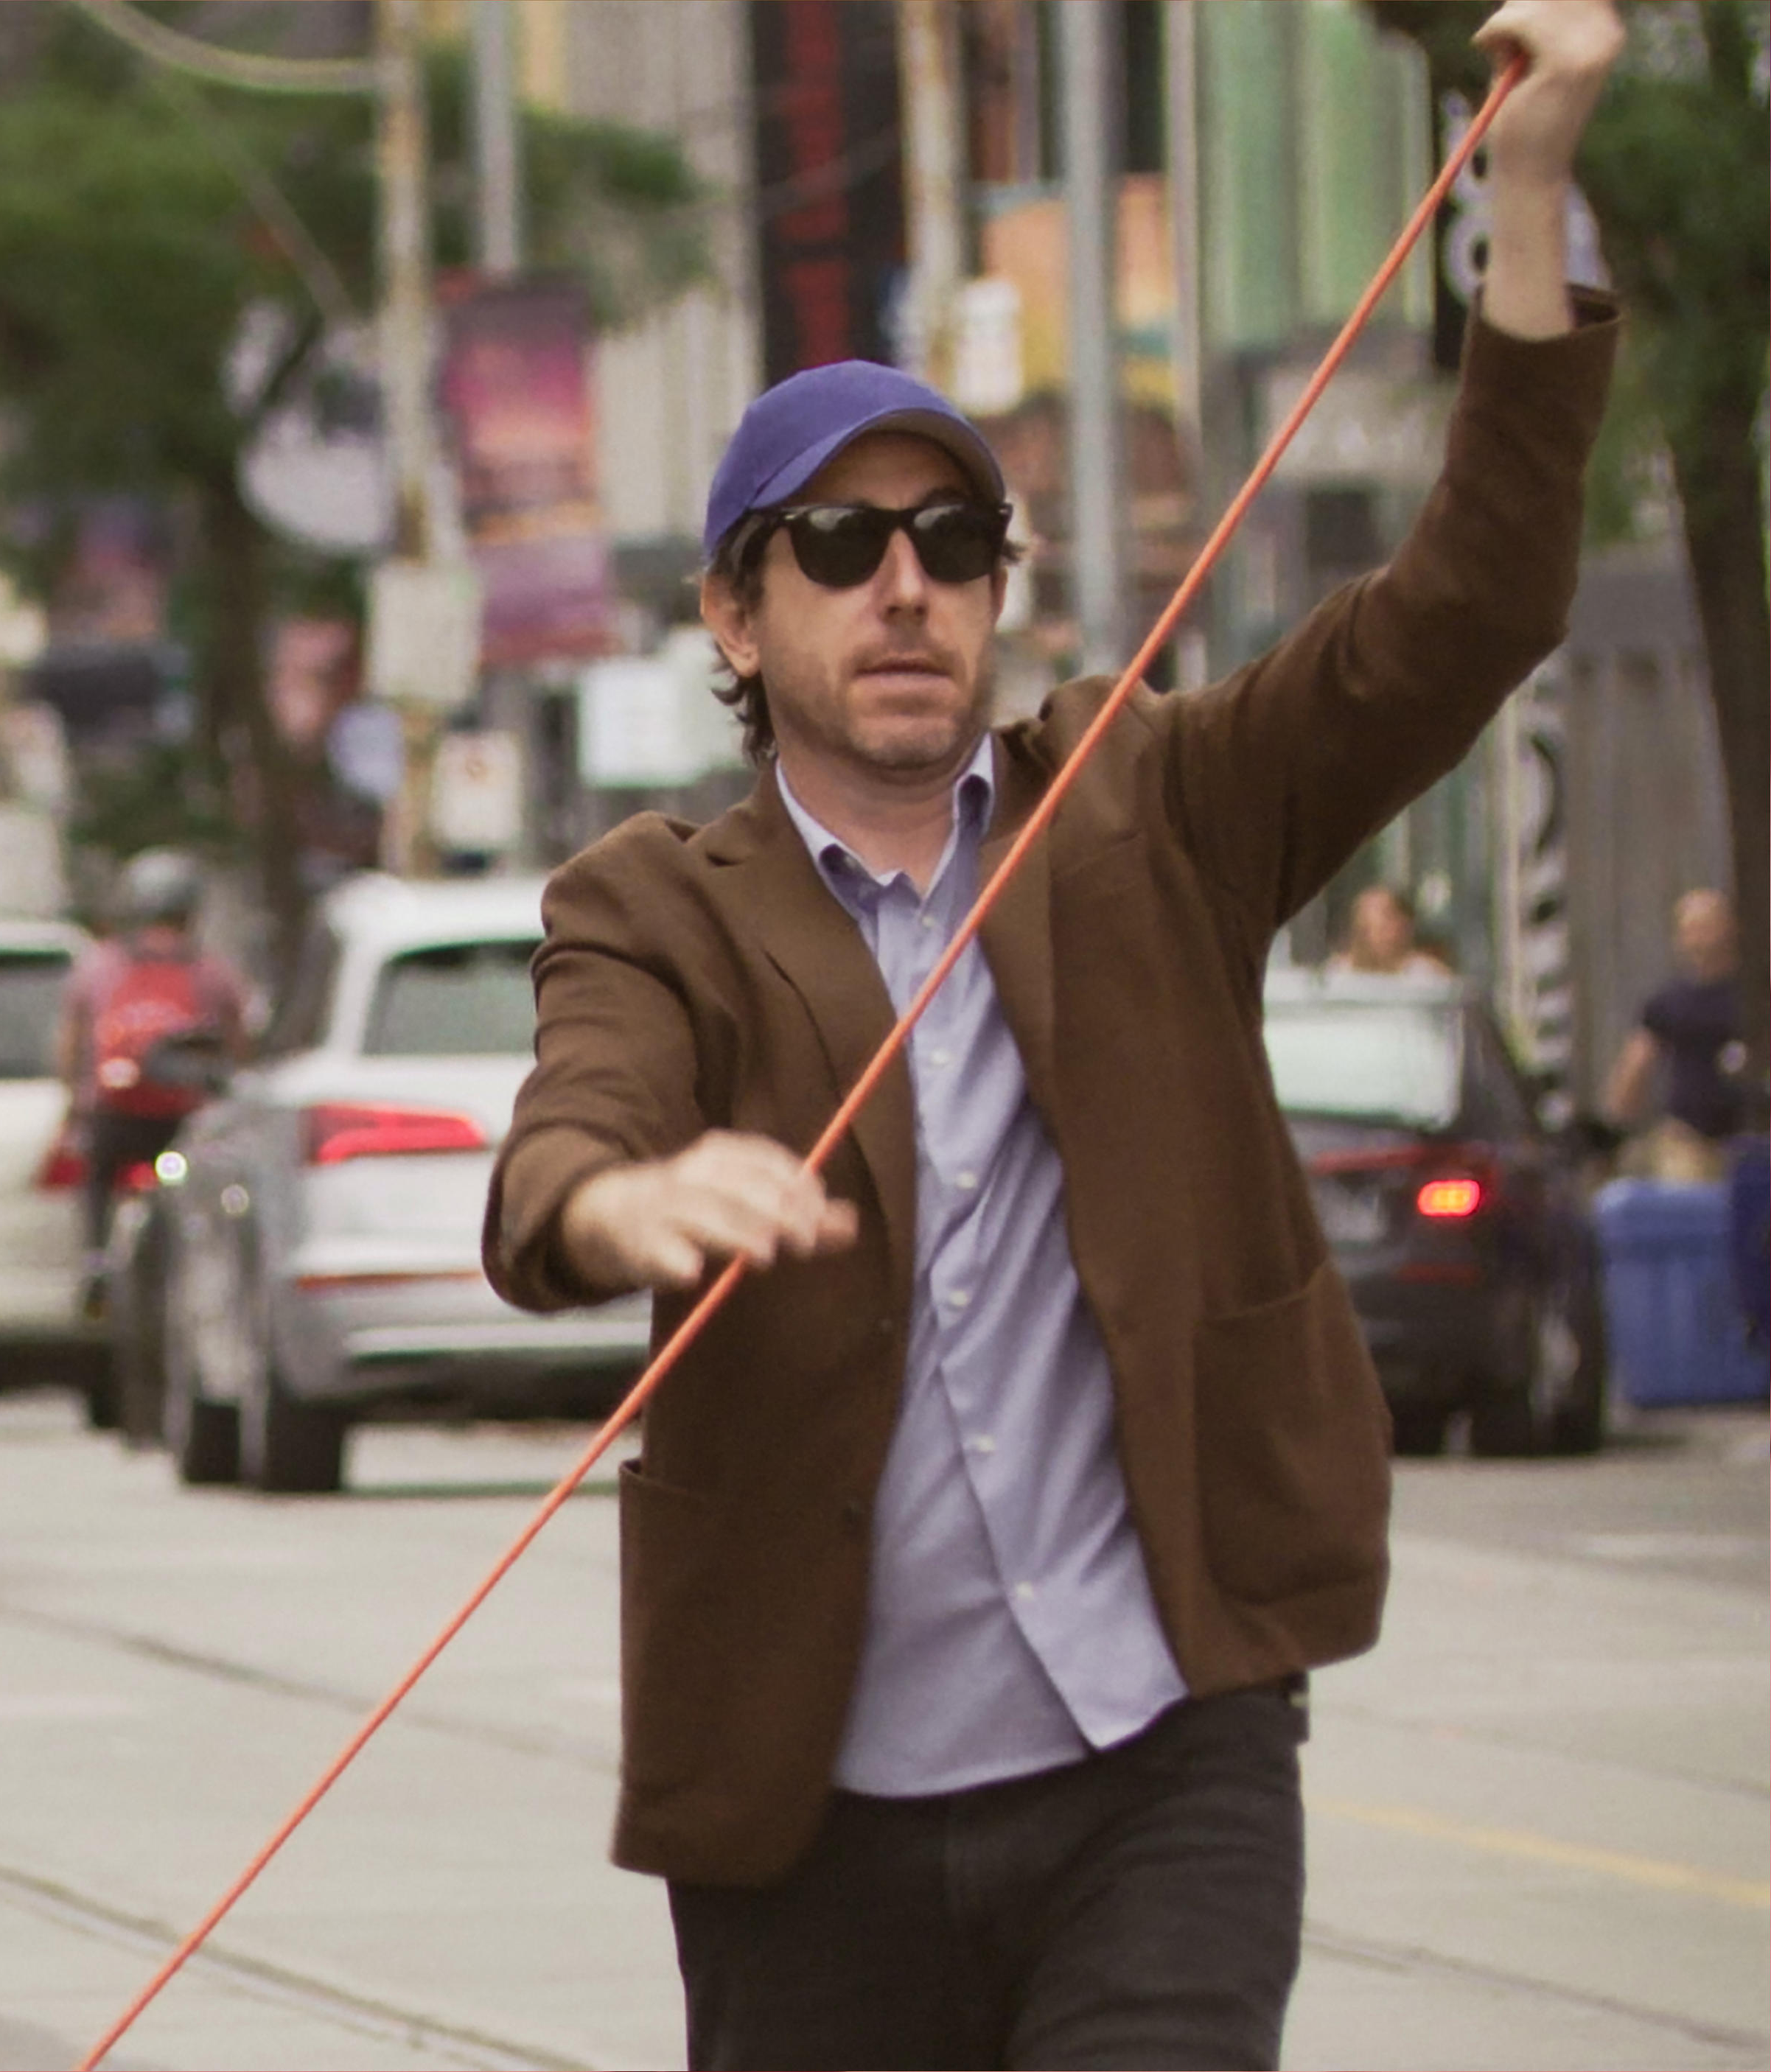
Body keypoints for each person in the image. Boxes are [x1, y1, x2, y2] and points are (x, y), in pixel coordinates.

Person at [477, 6, 1618, 2063]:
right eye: (838, 545)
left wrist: (1525, 188)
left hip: (1158, 1750)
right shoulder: (652, 903)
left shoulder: (1156, 803)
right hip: (804, 1817)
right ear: (737, 616)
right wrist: (630, 1199)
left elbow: (1477, 603)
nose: (904, 588)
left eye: (954, 542)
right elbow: (564, 1144)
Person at [55, 847, 252, 1271]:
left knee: (98, 1174)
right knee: (217, 1189)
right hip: (184, 1119)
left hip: (116, 1116)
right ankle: (212, 1262)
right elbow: (238, 1046)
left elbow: (72, 1045)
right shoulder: (210, 970)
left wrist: (75, 1107)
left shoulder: (99, 964)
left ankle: (95, 1258)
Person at [1601, 887, 1755, 1177]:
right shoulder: (1668, 1003)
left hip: (1752, 1140)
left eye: (1708, 927)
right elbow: (1636, 1066)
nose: (1701, 938)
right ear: (1680, 939)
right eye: (1692, 930)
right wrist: (1613, 1134)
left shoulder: (1755, 998)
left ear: (1731, 928)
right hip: (1691, 1142)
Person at [1324, 882, 1453, 979]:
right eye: (1366, 928)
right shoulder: (1336, 975)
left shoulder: (1428, 976)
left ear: (1404, 926)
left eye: (1383, 927)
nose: (1373, 936)